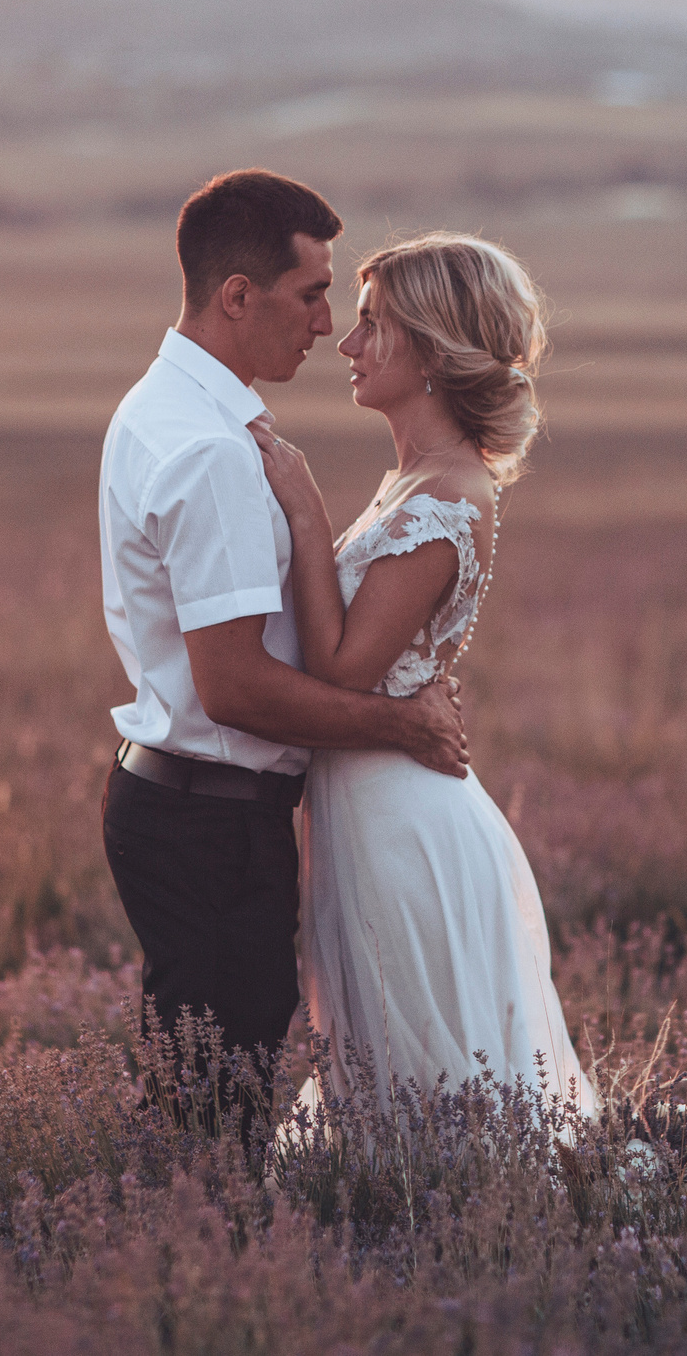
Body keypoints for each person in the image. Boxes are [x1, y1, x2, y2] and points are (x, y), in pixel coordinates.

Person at [98, 170, 467, 1107]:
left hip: (188, 804)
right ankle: (193, 1247)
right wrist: (403, 726)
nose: (323, 324)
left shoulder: (166, 409)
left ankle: (192, 1238)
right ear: (237, 296)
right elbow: (234, 687)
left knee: (210, 1088)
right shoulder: (212, 450)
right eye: (310, 295)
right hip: (212, 821)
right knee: (214, 1107)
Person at [249, 232, 597, 1120]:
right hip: (364, 805)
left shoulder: (445, 499)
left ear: (436, 349)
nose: (348, 343)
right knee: (386, 1082)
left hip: (403, 823)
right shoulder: (413, 481)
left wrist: (303, 506)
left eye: (373, 325)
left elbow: (339, 666)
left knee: (431, 1091)